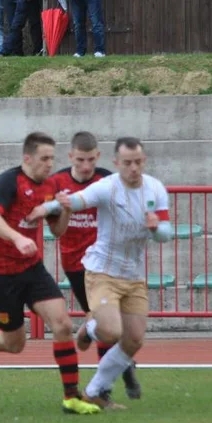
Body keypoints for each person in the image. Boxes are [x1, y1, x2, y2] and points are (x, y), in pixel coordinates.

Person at [0, 132, 102, 416]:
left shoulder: (50, 186)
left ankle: (71, 397)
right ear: (28, 158)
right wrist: (17, 238)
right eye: (44, 158)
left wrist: (64, 210)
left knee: (62, 324)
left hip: (31, 269)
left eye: (52, 158)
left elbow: (57, 231)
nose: (50, 164)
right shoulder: (9, 180)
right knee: (15, 344)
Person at [38, 137, 171, 409]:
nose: (133, 168)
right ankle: (92, 327)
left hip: (133, 276)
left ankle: (95, 390)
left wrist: (157, 228)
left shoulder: (155, 188)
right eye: (127, 163)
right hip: (102, 271)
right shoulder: (107, 187)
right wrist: (47, 207)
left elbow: (166, 234)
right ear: (116, 163)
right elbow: (74, 201)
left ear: (143, 161)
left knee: (134, 339)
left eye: (138, 162)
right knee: (111, 331)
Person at [44, 132, 141, 399]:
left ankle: (114, 367)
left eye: (90, 159)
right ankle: (108, 386)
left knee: (114, 324)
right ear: (70, 157)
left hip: (110, 261)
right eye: (80, 160)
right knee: (107, 323)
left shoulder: (108, 180)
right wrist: (65, 209)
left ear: (97, 156)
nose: (86, 166)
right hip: (78, 265)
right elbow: (57, 232)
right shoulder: (58, 182)